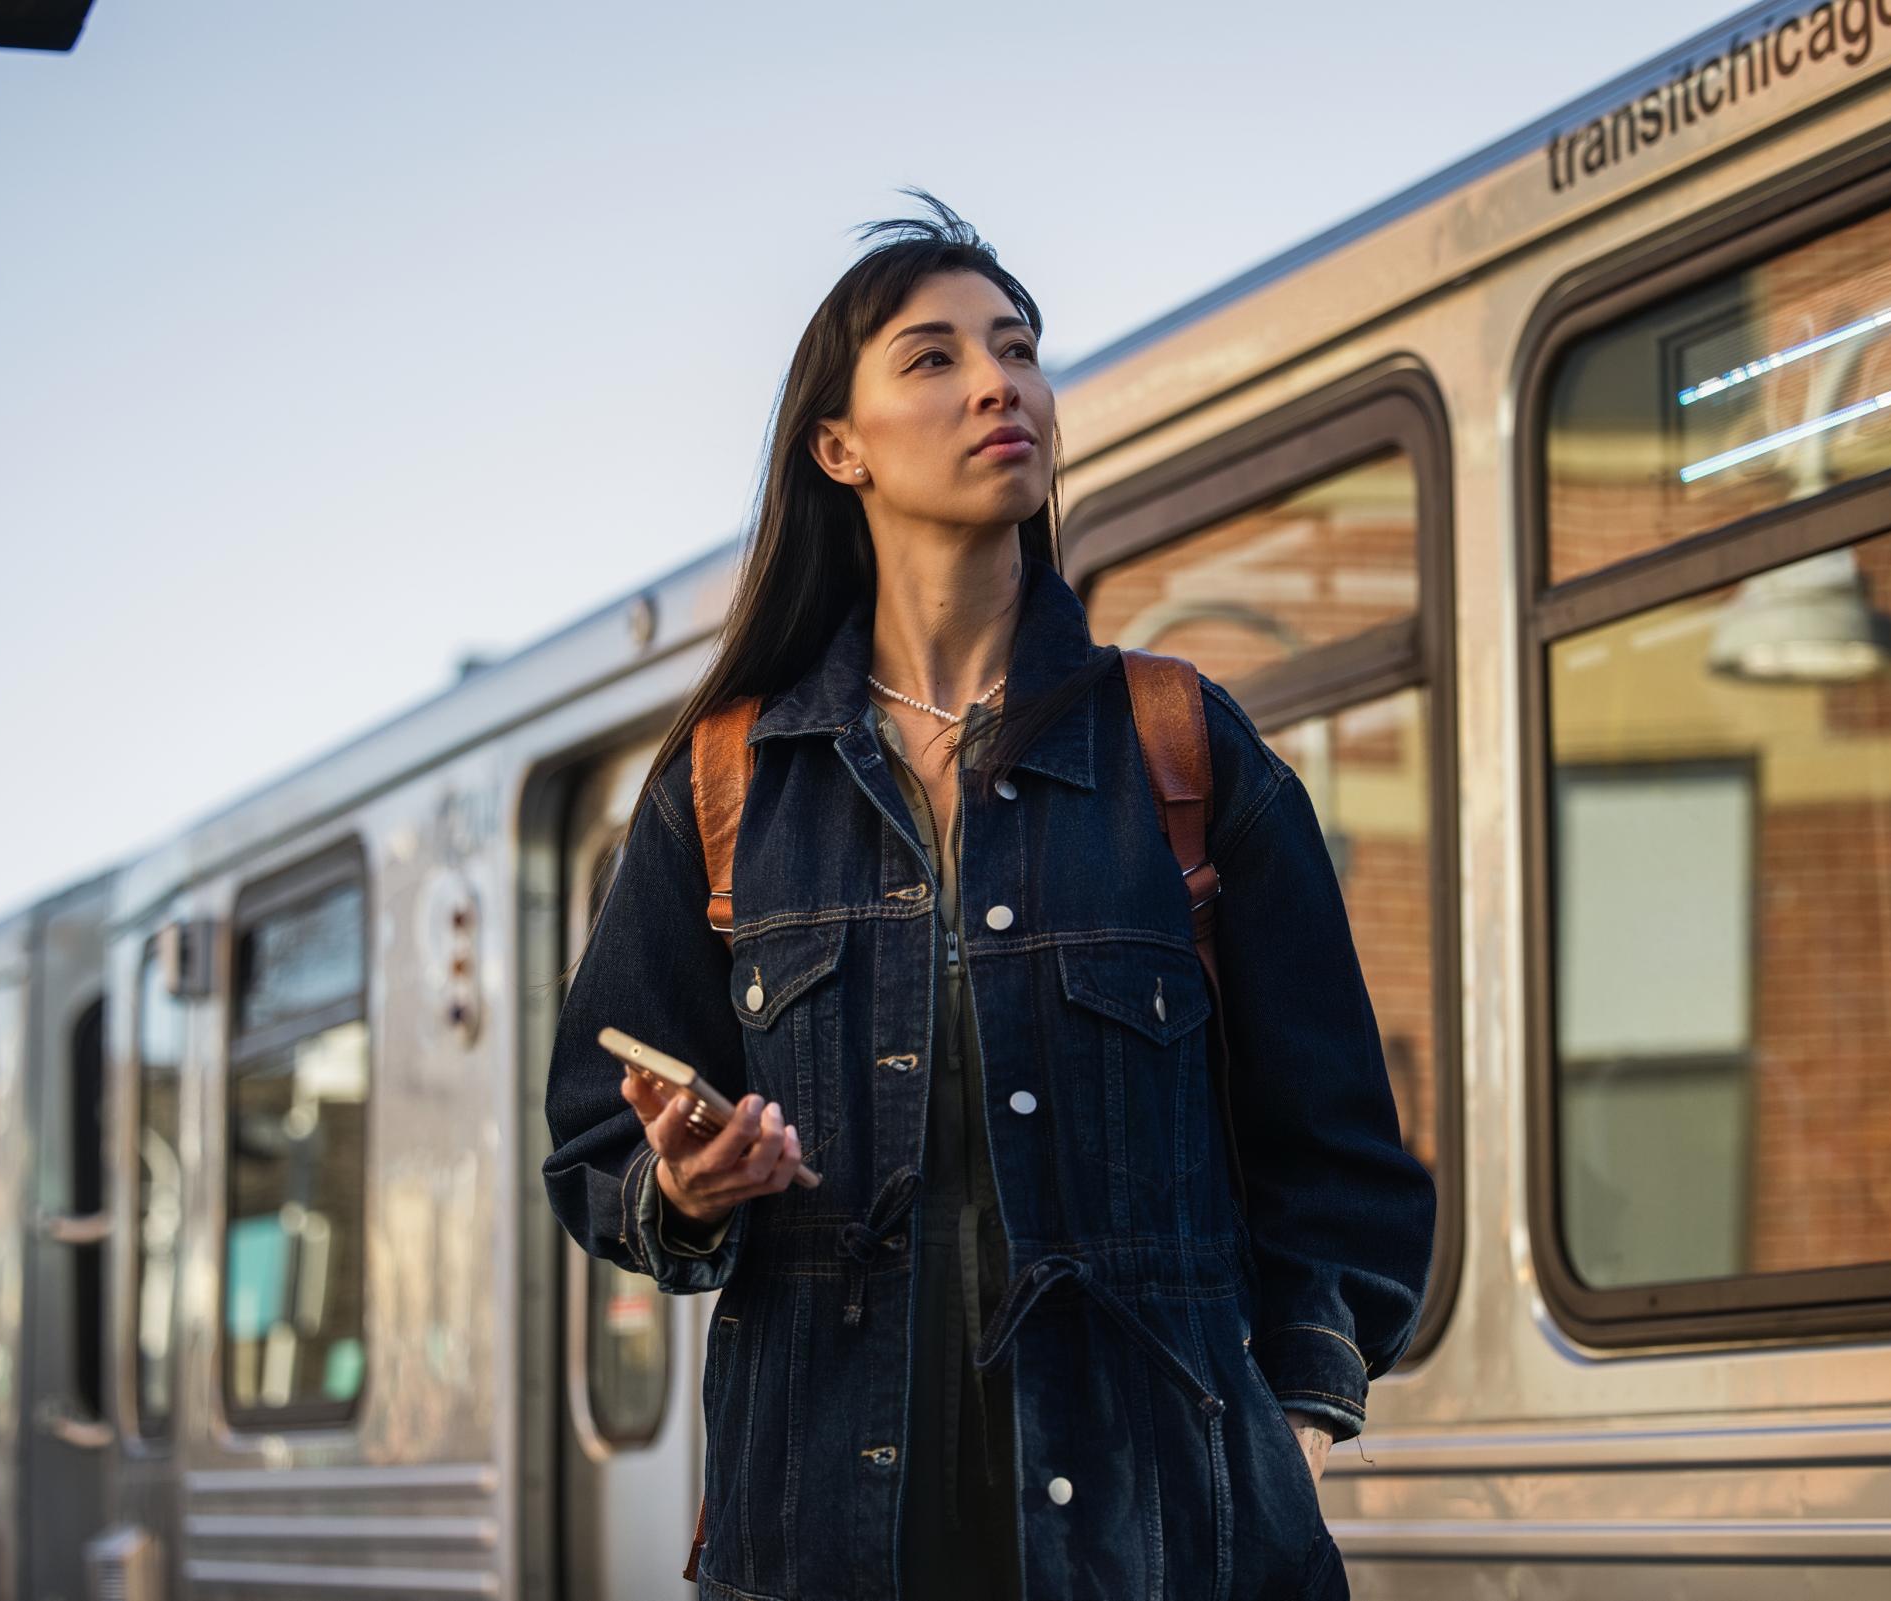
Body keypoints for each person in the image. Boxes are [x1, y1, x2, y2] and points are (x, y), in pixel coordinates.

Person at [542, 190, 1434, 1601]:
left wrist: (1300, 1423)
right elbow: (593, 1140)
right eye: (935, 356)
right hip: (821, 1546)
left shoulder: (1180, 747)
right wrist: (686, 1184)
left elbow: (1341, 1158)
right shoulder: (723, 786)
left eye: (1016, 347)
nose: (998, 383)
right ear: (839, 447)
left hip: (1171, 1555)